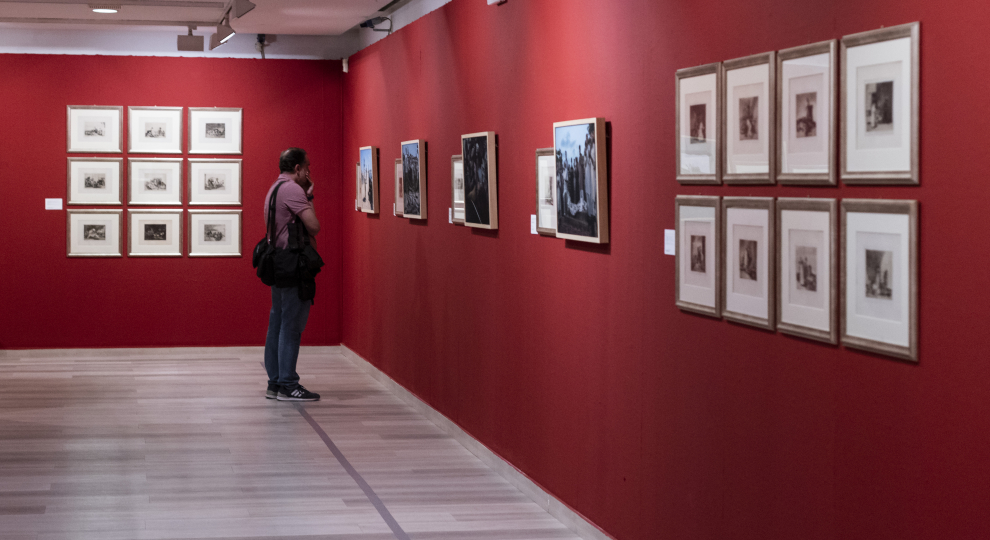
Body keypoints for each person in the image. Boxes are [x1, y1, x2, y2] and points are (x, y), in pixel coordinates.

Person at [263, 148, 321, 402]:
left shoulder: (274, 188)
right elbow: (314, 226)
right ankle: (288, 384)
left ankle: (275, 383)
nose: (309, 171)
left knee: (277, 321)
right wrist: (309, 196)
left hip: (277, 262)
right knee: (291, 325)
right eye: (307, 166)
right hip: (293, 263)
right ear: (297, 168)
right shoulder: (293, 190)